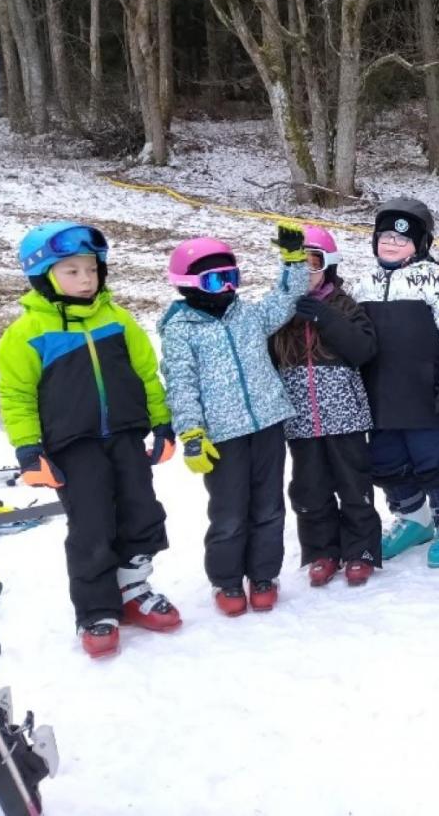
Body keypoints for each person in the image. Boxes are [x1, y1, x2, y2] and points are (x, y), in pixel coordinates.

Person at [0, 223, 180, 657]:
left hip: (125, 438)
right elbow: (17, 397)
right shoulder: (26, 335)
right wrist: (28, 450)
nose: (85, 280)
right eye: (71, 272)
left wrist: (162, 424)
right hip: (71, 447)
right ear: (44, 277)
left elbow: (146, 375)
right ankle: (97, 609)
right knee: (92, 525)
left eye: (91, 270)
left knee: (142, 513)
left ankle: (134, 590)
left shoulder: (118, 320)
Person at [159, 225, 309, 616]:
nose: (226, 287)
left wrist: (292, 261)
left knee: (269, 506)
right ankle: (226, 580)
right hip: (222, 436)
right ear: (188, 285)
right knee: (228, 512)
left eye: (231, 277)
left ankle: (263, 575)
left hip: (267, 424)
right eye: (214, 279)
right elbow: (181, 384)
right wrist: (191, 432)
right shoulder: (180, 331)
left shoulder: (248, 315)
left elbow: (286, 298)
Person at [351, 198, 439, 568]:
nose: (391, 243)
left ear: (419, 244)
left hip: (427, 393)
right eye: (384, 236)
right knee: (386, 460)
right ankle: (412, 518)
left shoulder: (436, 280)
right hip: (380, 394)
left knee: (435, 460)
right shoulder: (364, 283)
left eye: (401, 239)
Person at [269, 225, 381, 588]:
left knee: (353, 484)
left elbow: (364, 349)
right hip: (300, 418)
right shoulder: (279, 308)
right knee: (309, 487)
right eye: (299, 265)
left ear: (328, 266)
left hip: (344, 415)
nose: (306, 274)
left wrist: (324, 317)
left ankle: (360, 550)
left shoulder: (344, 305)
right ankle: (321, 551)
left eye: (313, 265)